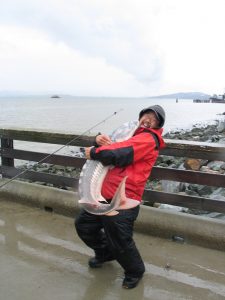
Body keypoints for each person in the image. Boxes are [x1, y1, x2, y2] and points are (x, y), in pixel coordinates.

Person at [75, 105, 166, 289]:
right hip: (102, 195)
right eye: (146, 115)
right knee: (84, 226)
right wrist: (98, 140)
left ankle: (135, 272)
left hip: (125, 199)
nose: (148, 119)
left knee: (120, 241)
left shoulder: (149, 138)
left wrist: (93, 152)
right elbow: (112, 144)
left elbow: (118, 153)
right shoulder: (130, 133)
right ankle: (105, 253)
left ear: (157, 125)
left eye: (154, 118)